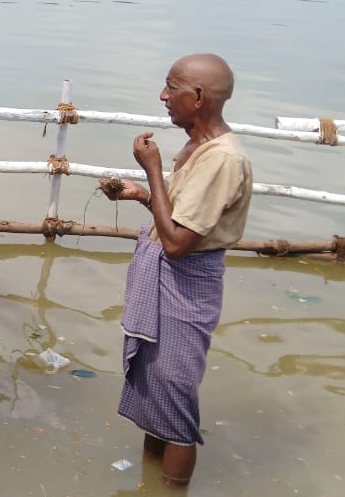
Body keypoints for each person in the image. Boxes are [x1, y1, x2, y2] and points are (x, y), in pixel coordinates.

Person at [100, 53, 253, 487]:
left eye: (173, 88)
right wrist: (141, 194)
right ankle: (150, 482)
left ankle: (170, 488)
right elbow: (181, 218)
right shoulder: (196, 147)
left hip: (186, 285)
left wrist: (151, 172)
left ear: (199, 97)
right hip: (170, 272)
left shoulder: (223, 159)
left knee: (176, 398)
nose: (164, 96)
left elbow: (178, 243)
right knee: (156, 389)